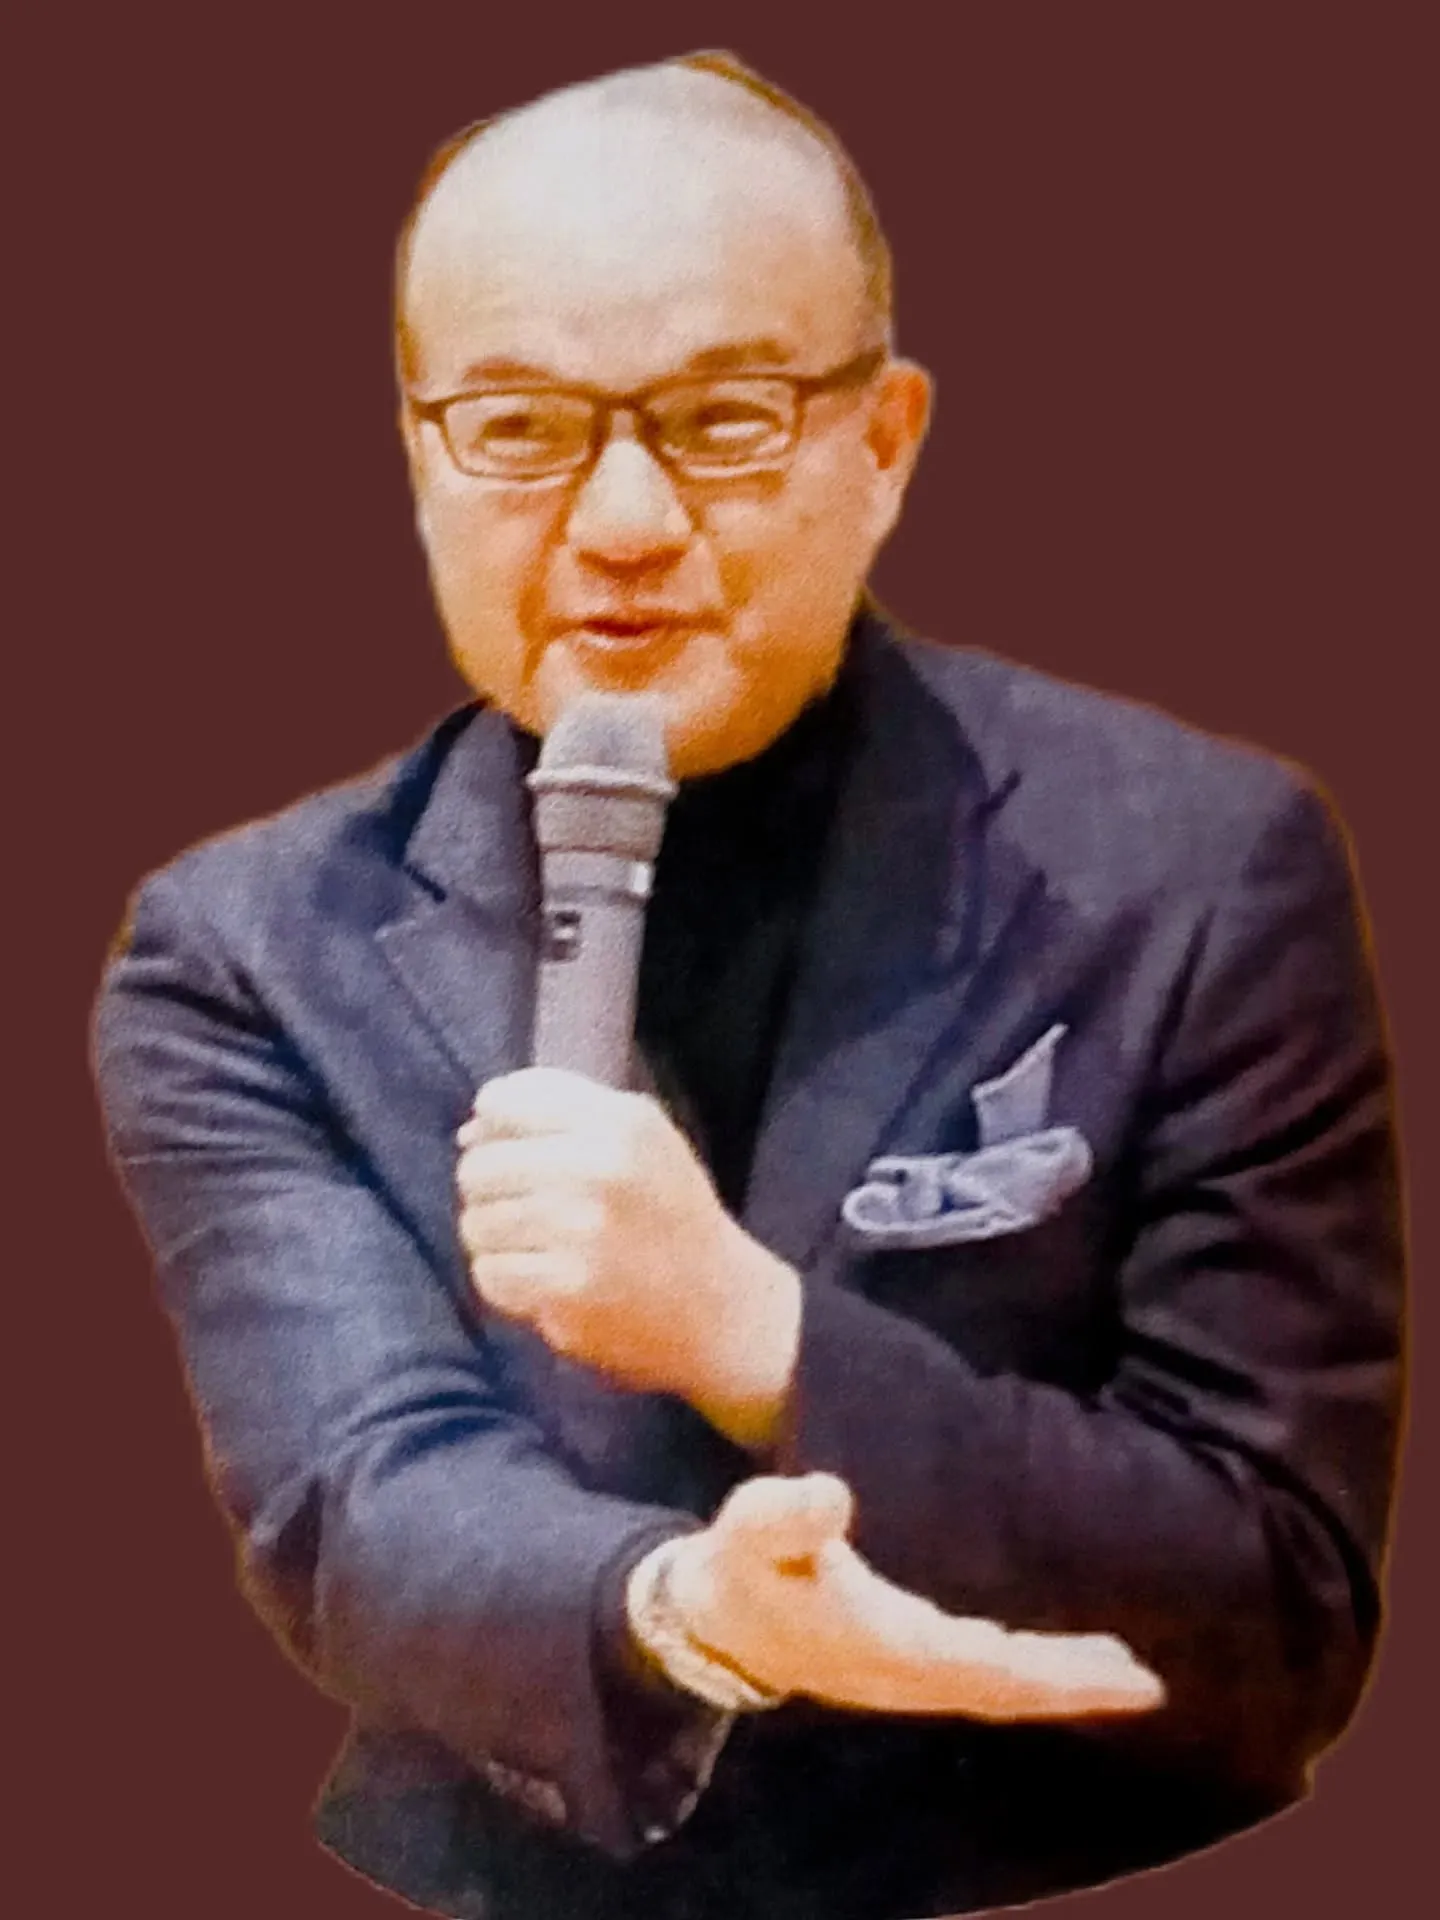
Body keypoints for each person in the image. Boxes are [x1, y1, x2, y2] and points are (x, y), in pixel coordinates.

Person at [92, 51, 1404, 1920]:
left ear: (886, 442)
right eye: (521, 425)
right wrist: (683, 1612)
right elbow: (358, 1502)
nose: (623, 520)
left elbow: (1280, 1593)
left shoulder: (1194, 870)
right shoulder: (246, 954)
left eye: (724, 418)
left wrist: (757, 1336)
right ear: (421, 455)